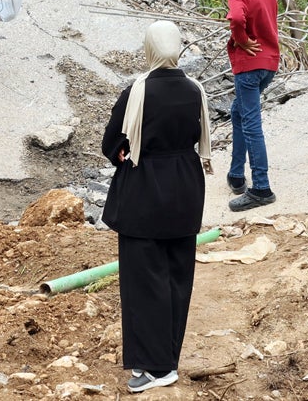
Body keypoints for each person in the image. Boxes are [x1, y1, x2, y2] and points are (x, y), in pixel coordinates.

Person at [101, 21, 212, 394]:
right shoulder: (194, 90)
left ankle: (155, 368)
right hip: (185, 187)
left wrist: (125, 150)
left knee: (143, 281)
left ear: (149, 48)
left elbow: (111, 144)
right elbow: (198, 136)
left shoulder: (137, 91)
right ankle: (169, 359)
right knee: (177, 278)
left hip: (145, 192)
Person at [224, 0, 281, 212]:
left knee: (251, 123)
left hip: (249, 65)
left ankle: (261, 187)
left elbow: (235, 18)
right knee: (238, 113)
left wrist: (242, 38)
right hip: (269, 64)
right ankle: (236, 175)